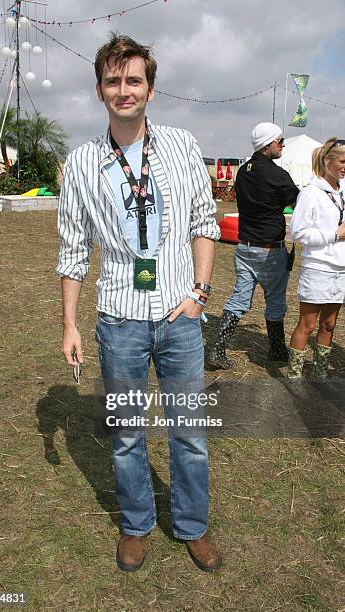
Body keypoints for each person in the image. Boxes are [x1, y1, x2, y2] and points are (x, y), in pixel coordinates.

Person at [57, 33, 221, 572]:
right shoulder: (81, 163)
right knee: (128, 433)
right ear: (100, 90)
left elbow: (203, 221)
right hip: (119, 320)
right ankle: (135, 525)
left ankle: (193, 525)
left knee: (190, 433)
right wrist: (70, 326)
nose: (123, 90)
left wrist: (199, 293)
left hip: (180, 317)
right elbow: (74, 248)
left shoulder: (181, 144)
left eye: (133, 80)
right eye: (113, 81)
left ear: (150, 88)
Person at [206, 122, 299, 369]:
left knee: (239, 299)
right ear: (267, 144)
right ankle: (277, 349)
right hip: (270, 249)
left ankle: (217, 348)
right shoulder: (278, 175)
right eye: (280, 141)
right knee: (276, 301)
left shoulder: (243, 171)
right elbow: (297, 201)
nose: (283, 145)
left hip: (245, 246)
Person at [288, 138, 345, 379]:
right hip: (318, 268)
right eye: (342, 161)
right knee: (308, 325)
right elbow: (298, 232)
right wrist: (334, 235)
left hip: (340, 268)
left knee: (329, 325)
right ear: (327, 160)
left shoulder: (342, 191)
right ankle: (293, 377)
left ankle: (320, 375)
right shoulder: (310, 193)